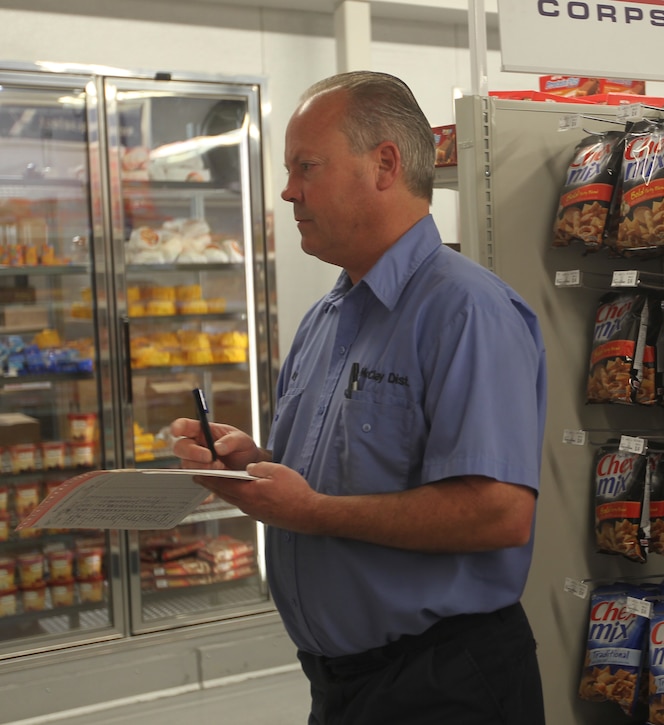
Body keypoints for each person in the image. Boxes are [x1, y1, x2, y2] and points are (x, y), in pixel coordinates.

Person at [171, 71, 547, 725]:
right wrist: (253, 467)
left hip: (445, 685)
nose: (288, 190)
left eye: (305, 166)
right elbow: (328, 483)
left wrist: (312, 511)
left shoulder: (468, 311)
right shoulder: (325, 320)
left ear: (385, 163)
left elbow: (498, 514)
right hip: (341, 687)